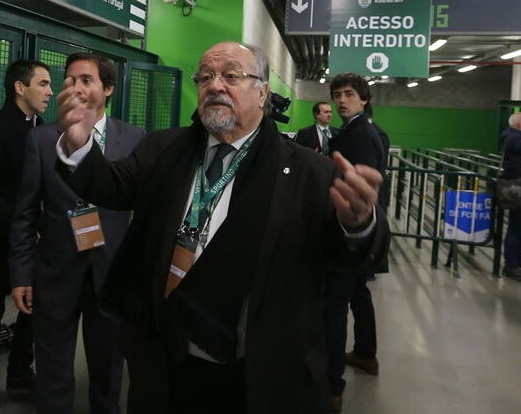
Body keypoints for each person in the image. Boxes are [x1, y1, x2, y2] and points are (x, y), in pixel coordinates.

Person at [56, 41, 389, 414]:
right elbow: (110, 186)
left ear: (262, 92)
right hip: (162, 364)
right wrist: (80, 145)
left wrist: (359, 223)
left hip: (255, 376)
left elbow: (352, 256)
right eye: (205, 77)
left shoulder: (309, 172)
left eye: (231, 75)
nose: (215, 85)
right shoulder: (164, 148)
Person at [10, 53, 146, 414]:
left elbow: (145, 212)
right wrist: (22, 273)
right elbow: (24, 213)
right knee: (53, 372)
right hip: (55, 271)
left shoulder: (134, 139)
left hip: (112, 274)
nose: (75, 87)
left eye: (86, 80)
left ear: (108, 89)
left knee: (108, 371)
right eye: (69, 80)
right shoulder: (41, 140)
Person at [0, 60, 53, 411]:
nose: (50, 91)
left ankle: (20, 372)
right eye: (43, 84)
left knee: (31, 308)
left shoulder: (41, 128)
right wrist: (24, 227)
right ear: (21, 88)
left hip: (32, 241)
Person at [324, 74, 388, 413]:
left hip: (347, 234)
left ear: (364, 99)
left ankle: (331, 387)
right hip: (361, 237)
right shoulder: (366, 130)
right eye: (337, 95)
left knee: (334, 309)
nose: (341, 101)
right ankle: (365, 354)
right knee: (358, 295)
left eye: (349, 94)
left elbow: (354, 186)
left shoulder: (359, 135)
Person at [500, 112, 521, 281]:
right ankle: (512, 265)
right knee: (516, 227)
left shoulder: (509, 136)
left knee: (516, 226)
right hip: (518, 187)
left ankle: (514, 264)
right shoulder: (515, 139)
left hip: (515, 186)